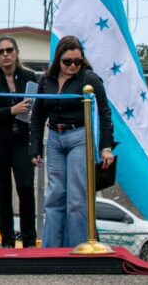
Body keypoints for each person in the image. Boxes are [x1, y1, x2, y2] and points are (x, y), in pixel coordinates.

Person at [30, 35, 116, 248]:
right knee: (54, 195)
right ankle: (50, 250)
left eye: (77, 61)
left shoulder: (89, 79)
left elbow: (105, 113)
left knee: (77, 198)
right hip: (54, 137)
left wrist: (106, 148)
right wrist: (35, 146)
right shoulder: (46, 80)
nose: (72, 66)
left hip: (79, 136)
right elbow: (38, 114)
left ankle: (78, 247)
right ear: (58, 60)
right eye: (67, 62)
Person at [0, 36, 39, 248]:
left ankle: (29, 240)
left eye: (9, 50)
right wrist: (10, 110)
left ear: (16, 52)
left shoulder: (29, 77)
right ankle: (7, 240)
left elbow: (37, 109)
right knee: (3, 190)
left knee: (25, 187)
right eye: (1, 51)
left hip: (22, 140)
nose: (5, 55)